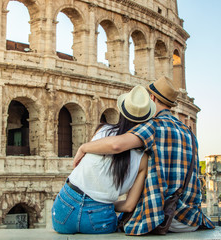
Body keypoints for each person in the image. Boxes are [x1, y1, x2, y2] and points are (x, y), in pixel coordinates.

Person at [73, 76, 215, 235]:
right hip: (190, 219)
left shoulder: (153, 126)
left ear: (152, 98)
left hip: (161, 218)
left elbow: (116, 145)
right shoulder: (189, 133)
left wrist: (84, 147)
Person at [52, 85, 156, 234]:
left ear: (122, 112)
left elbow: (115, 146)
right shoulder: (143, 159)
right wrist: (98, 205)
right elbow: (128, 206)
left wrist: (83, 147)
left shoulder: (103, 130)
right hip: (100, 217)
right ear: (146, 122)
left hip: (64, 209)